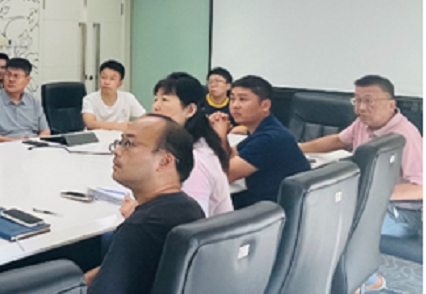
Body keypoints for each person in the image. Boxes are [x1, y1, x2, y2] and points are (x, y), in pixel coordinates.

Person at [82, 115, 204, 294]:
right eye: (120, 141)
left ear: (165, 161)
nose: (117, 150)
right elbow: (128, 270)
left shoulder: (140, 228)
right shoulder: (190, 209)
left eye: (129, 143)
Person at [300, 75, 422, 237]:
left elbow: (420, 188)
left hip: (401, 212)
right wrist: (298, 149)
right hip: (366, 201)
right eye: (357, 101)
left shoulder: (405, 136)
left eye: (369, 101)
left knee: (337, 228)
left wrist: (369, 193)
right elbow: (338, 140)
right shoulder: (364, 123)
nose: (361, 108)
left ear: (391, 105)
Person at [210, 75, 309, 209]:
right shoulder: (264, 129)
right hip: (264, 203)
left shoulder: (270, 138)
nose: (235, 105)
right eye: (232, 99)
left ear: (265, 105)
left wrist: (220, 135)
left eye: (243, 99)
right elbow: (233, 154)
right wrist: (223, 136)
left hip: (272, 210)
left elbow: (225, 176)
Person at [152, 74, 233, 216]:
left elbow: (193, 219)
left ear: (190, 110)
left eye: (165, 100)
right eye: (155, 99)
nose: (156, 107)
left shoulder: (195, 160)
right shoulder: (185, 146)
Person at [0, 57, 50, 143]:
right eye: (8, 75)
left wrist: (36, 142)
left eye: (16, 76)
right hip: (4, 145)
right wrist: (14, 141)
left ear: (27, 80)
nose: (11, 79)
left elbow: (45, 131)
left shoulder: (34, 102)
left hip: (33, 145)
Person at [82, 60, 146, 132]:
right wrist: (118, 126)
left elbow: (144, 118)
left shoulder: (128, 98)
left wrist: (132, 126)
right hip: (95, 137)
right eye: (103, 77)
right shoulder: (89, 99)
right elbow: (90, 124)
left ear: (120, 83)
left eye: (112, 79)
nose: (106, 82)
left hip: (120, 137)